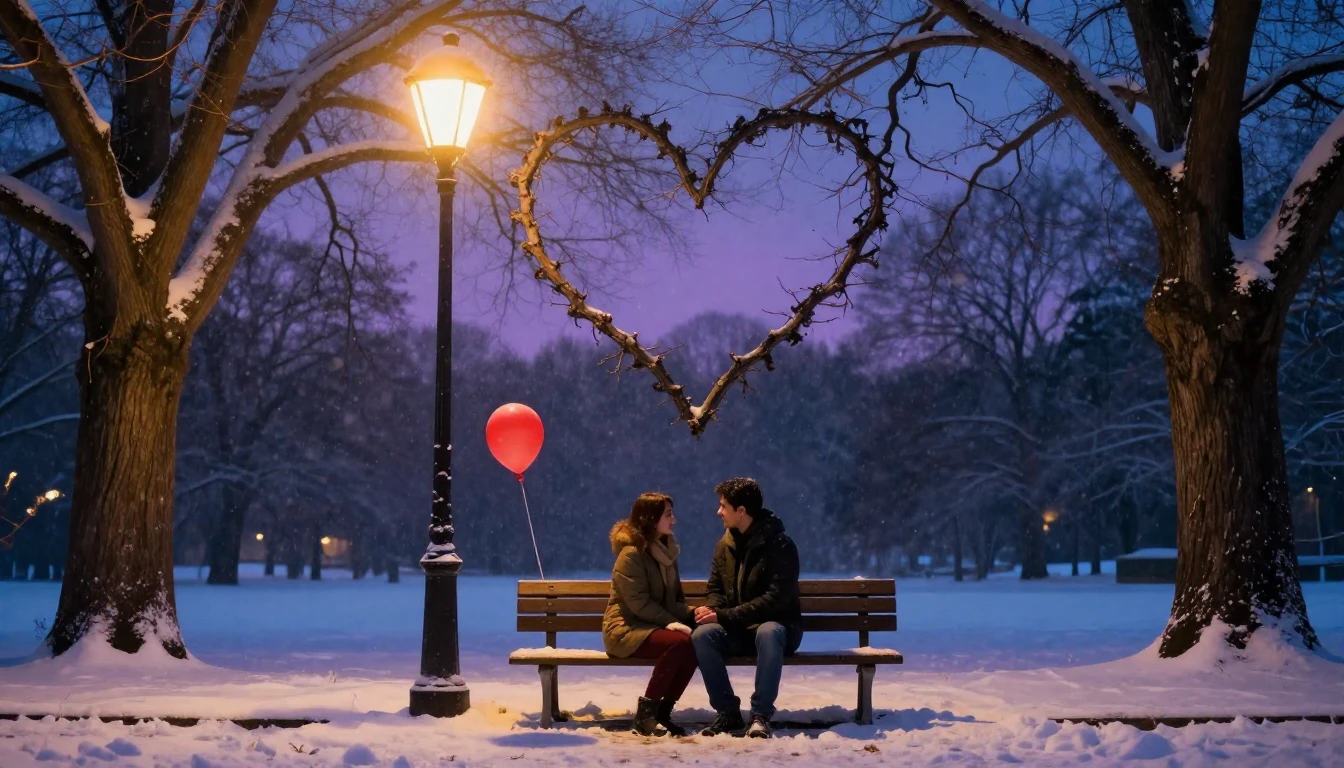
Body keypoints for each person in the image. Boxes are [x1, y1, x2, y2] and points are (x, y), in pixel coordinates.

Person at [692, 477, 803, 739]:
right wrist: (712, 611)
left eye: (723, 506)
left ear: (741, 511)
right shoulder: (725, 546)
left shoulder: (780, 545)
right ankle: (728, 712)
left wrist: (725, 615)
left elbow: (775, 600)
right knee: (702, 636)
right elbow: (716, 589)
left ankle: (760, 715)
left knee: (768, 632)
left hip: (779, 628)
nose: (718, 512)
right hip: (738, 628)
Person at [602, 492, 698, 737]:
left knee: (695, 642)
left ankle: (662, 713)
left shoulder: (667, 552)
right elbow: (639, 605)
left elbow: (673, 601)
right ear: (651, 519)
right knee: (679, 643)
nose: (673, 520)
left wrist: (694, 614)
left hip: (652, 625)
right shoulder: (631, 554)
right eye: (668, 514)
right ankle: (645, 716)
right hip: (626, 629)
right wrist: (672, 624)